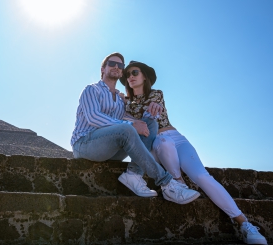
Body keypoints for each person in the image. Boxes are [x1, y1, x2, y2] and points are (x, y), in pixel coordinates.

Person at [121, 60, 267, 245]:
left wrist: (150, 111)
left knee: (202, 176)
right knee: (163, 141)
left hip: (177, 137)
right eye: (127, 75)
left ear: (145, 76)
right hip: (155, 143)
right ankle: (178, 183)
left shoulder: (156, 94)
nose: (130, 77)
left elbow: (154, 108)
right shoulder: (125, 103)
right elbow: (125, 121)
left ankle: (245, 224)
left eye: (134, 72)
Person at [71, 52, 200, 204]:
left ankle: (133, 174)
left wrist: (154, 110)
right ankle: (167, 183)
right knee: (128, 129)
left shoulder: (119, 101)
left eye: (120, 66)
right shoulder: (92, 90)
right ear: (102, 69)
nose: (116, 67)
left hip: (109, 150)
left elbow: (131, 121)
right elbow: (93, 117)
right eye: (112, 63)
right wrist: (132, 125)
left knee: (150, 123)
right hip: (85, 144)